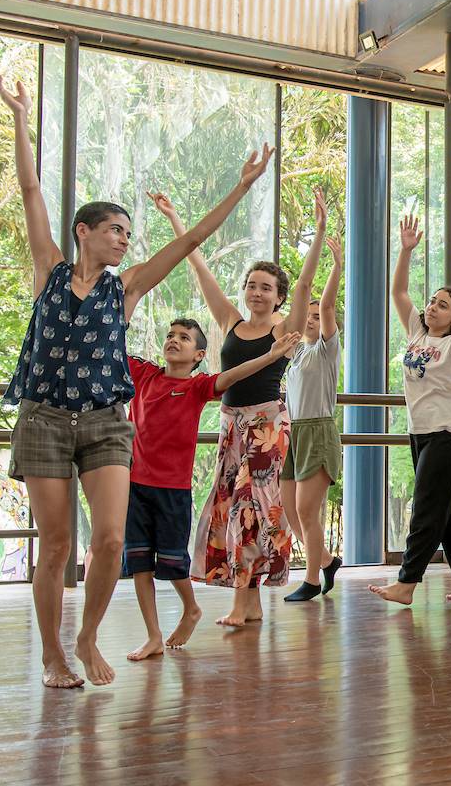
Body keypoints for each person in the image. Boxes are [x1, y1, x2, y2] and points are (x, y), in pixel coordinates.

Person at [0, 75, 273, 687]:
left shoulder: (127, 289)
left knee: (112, 535)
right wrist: (20, 117)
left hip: (104, 422)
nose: (125, 238)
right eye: (116, 229)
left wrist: (243, 185)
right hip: (43, 416)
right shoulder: (50, 272)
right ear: (84, 233)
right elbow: (30, 188)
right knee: (57, 544)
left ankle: (88, 637)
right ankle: (51, 655)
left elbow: (196, 237)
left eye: (128, 232)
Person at [163, 188, 327, 626]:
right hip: (232, 424)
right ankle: (249, 604)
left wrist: (320, 231)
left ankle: (243, 601)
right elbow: (200, 271)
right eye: (252, 285)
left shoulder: (284, 330)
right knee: (229, 506)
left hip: (267, 424)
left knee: (252, 508)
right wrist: (177, 220)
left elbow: (308, 285)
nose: (257, 292)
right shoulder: (232, 323)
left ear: (278, 297)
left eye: (266, 288)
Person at [124, 320, 300, 661]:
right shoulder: (144, 374)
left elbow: (233, 376)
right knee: (139, 564)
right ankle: (152, 635)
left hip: (172, 491)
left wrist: (270, 356)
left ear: (199, 354)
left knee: (173, 562)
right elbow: (112, 339)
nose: (174, 340)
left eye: (184, 338)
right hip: (136, 487)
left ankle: (191, 608)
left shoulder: (197, 387)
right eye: (170, 335)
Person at [369, 215, 451, 605]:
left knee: (427, 507)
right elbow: (398, 291)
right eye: (432, 302)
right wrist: (406, 250)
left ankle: (407, 583)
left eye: (442, 305)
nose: (431, 308)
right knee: (446, 512)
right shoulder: (416, 333)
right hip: (421, 432)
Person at [280, 235, 345, 602]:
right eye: (308, 314)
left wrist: (335, 266)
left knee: (307, 509)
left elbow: (329, 304)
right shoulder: (295, 354)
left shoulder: (326, 349)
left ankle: (312, 579)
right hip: (293, 433)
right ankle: (327, 561)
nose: (313, 318)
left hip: (318, 431)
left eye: (318, 317)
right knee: (291, 512)